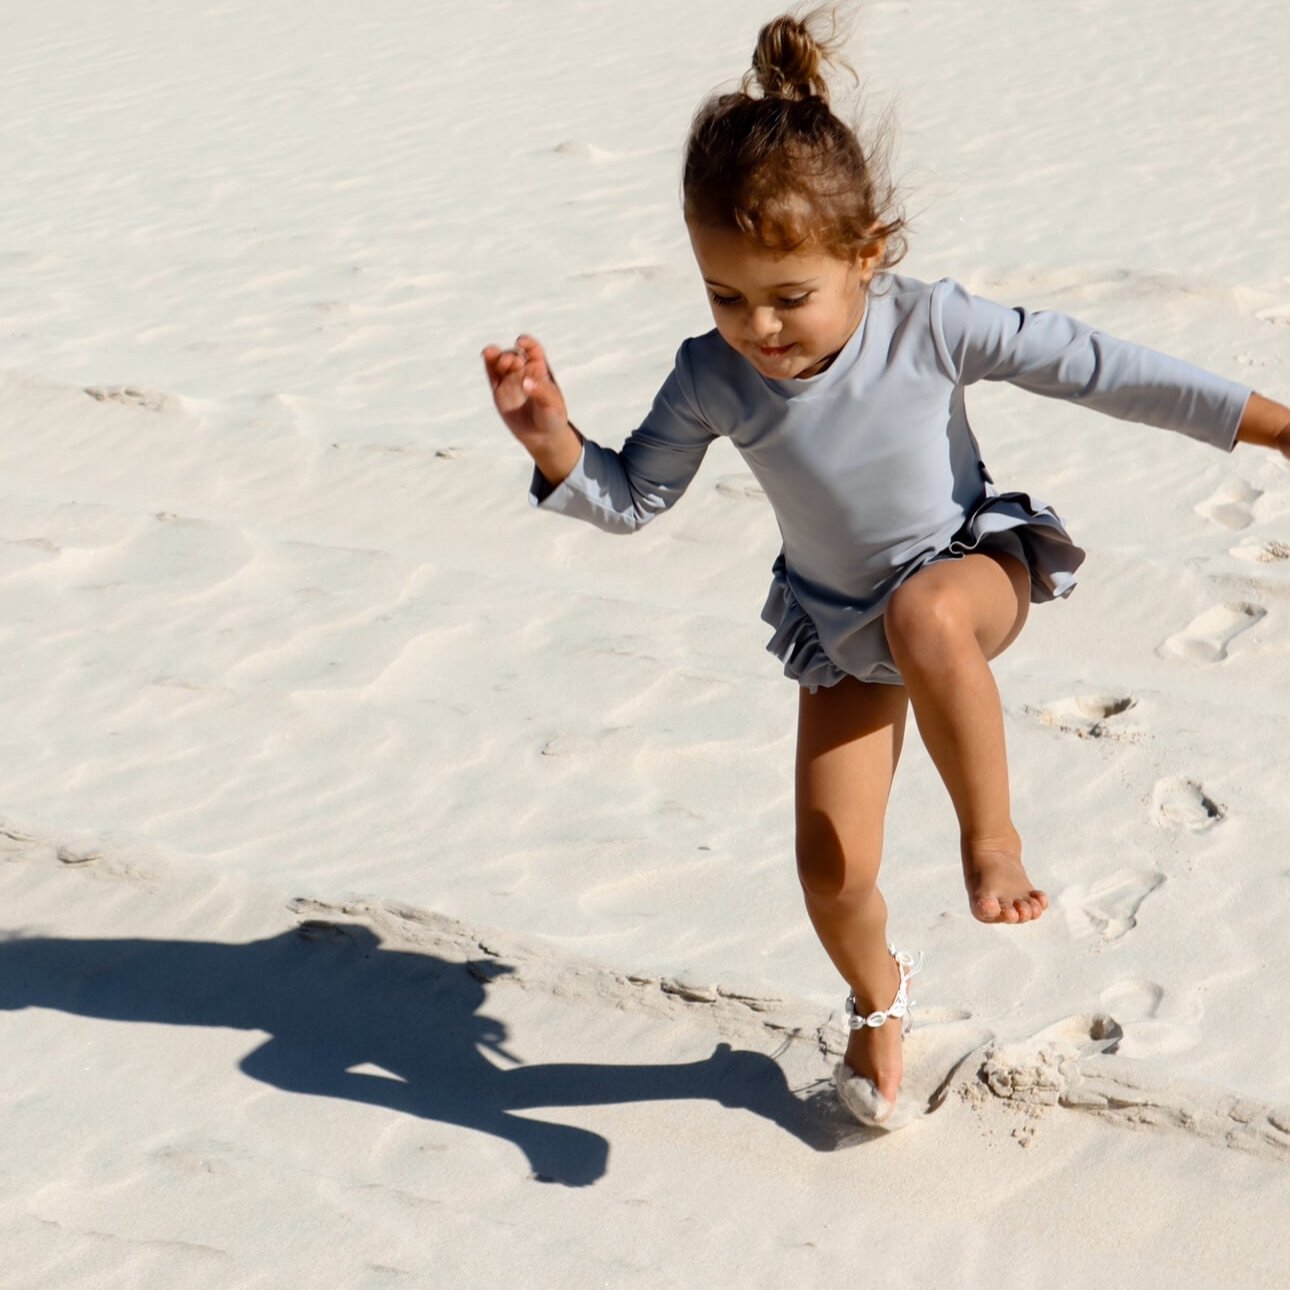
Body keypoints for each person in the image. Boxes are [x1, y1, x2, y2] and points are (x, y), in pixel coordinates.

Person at [480, 9, 1290, 1128]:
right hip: (837, 627)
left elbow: (1103, 368)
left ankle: (990, 838)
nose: (758, 326)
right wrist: (551, 441)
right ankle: (877, 998)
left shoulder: (933, 325)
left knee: (924, 614)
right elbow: (632, 500)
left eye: (788, 296)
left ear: (866, 255)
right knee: (828, 870)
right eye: (725, 295)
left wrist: (1278, 429)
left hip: (970, 572)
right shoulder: (710, 376)